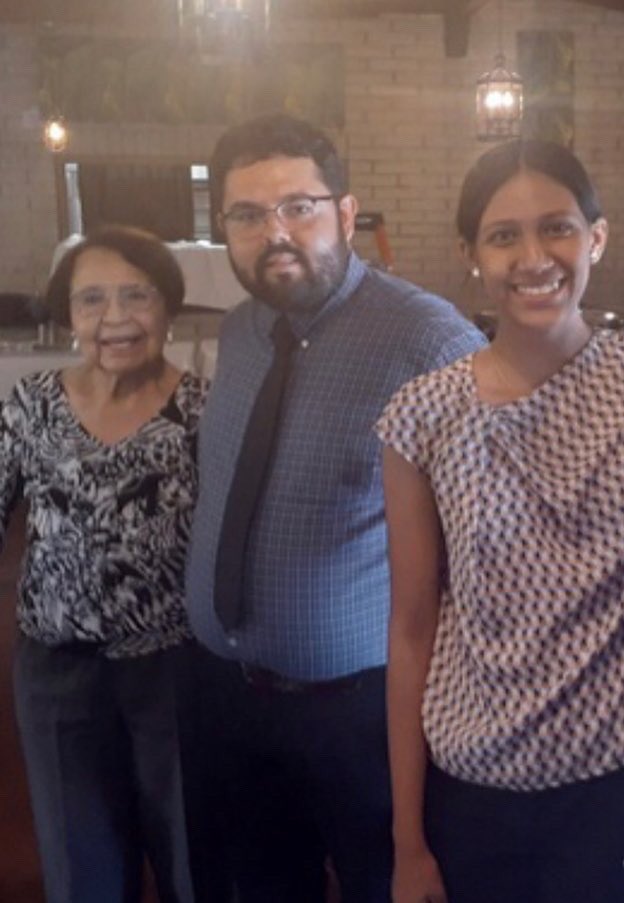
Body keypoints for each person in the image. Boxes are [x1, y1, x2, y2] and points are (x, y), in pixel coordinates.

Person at [376, 139, 624, 903]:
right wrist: (407, 839)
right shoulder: (421, 415)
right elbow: (411, 627)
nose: (534, 256)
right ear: (470, 254)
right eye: (503, 235)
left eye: (556, 226)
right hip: (474, 786)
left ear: (596, 236)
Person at [182, 112, 485, 903]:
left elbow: (483, 542)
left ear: (345, 215)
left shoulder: (427, 339)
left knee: (377, 880)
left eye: (298, 207)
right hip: (226, 690)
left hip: (357, 712)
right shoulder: (243, 330)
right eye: (247, 215)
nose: (273, 233)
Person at [4, 226, 206, 903]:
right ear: (69, 316)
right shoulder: (28, 407)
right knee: (80, 867)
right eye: (91, 300)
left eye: (135, 296)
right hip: (57, 672)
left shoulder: (204, 409)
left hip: (176, 674)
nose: (114, 319)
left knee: (192, 858)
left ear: (167, 308)